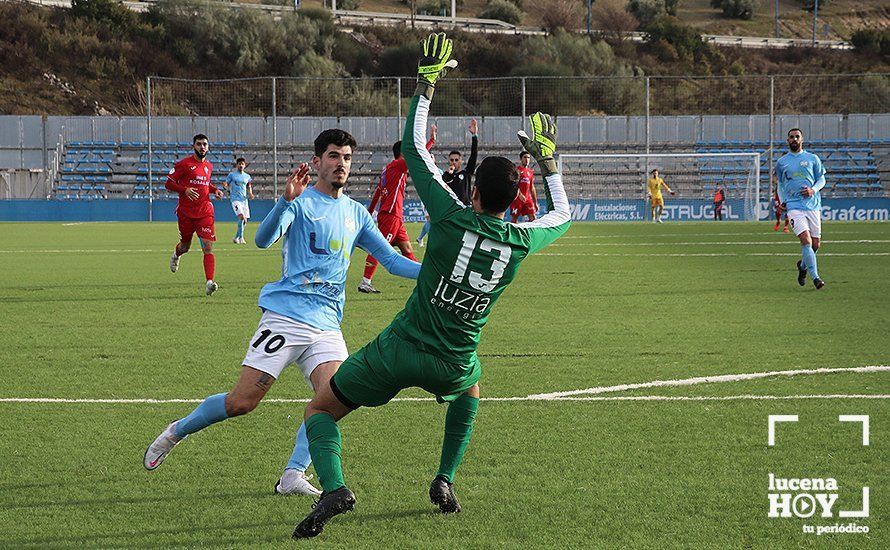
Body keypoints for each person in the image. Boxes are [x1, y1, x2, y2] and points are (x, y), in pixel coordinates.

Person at [291, 33, 571, 539]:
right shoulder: (522, 240)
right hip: (454, 359)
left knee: (321, 410)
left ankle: (334, 487)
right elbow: (564, 216)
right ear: (512, 201)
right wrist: (548, 164)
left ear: (474, 190)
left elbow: (416, 149)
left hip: (400, 347)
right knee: (470, 394)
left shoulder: (448, 215)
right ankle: (444, 480)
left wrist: (426, 86)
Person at [143, 130, 422, 497]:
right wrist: (284, 203)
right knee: (241, 403)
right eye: (334, 156)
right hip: (286, 317)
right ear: (318, 161)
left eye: (347, 158)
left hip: (326, 324)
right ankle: (177, 431)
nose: (342, 164)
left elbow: (390, 260)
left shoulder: (356, 213)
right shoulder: (301, 202)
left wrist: (436, 273)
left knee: (332, 399)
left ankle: (292, 475)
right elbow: (263, 239)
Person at [359, 126, 436, 293]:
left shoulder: (388, 169)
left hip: (395, 216)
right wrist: (430, 142)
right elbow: (417, 157)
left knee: (407, 249)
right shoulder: (398, 165)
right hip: (391, 215)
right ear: (403, 152)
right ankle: (365, 281)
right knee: (380, 248)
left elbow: (377, 193)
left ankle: (422, 281)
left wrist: (370, 212)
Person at [165, 134, 225, 296]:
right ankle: (176, 255)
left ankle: (209, 282)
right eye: (199, 144)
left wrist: (215, 190)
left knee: (207, 246)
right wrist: (184, 190)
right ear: (193, 146)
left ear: (208, 147)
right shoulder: (184, 164)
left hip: (205, 212)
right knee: (185, 246)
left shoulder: (209, 166)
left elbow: (206, 183)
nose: (202, 147)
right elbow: (168, 183)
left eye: (205, 144)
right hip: (186, 213)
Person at [776, 128, 826, 290]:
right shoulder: (782, 162)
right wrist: (783, 201)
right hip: (794, 206)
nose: (794, 139)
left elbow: (822, 179)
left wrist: (813, 190)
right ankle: (816, 278)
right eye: (791, 137)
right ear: (787, 140)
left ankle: (803, 266)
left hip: (812, 206)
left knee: (815, 245)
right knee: (806, 240)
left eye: (797, 137)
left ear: (802, 139)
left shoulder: (812, 158)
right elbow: (781, 185)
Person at [441, 119, 478, 205]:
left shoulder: (466, 173)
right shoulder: (445, 175)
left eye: (456, 160)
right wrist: (449, 174)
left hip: (465, 208)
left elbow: (474, 155)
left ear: (461, 161)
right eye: (452, 160)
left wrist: (474, 136)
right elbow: (444, 184)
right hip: (451, 209)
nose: (454, 162)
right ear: (448, 162)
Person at [225, 157, 255, 244]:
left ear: (245, 165)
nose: (241, 165)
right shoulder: (232, 175)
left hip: (244, 200)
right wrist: (225, 185)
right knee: (241, 217)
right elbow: (227, 183)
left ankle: (236, 237)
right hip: (235, 199)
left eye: (242, 164)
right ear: (237, 165)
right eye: (239, 164)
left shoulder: (247, 176)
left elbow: (249, 186)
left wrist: (250, 193)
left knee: (245, 220)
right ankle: (241, 237)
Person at [510, 151, 538, 223]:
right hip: (517, 198)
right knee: (514, 220)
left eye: (528, 158)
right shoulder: (517, 171)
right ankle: (514, 234)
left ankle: (529, 234)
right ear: (521, 159)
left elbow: (532, 187)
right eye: (525, 157)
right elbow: (513, 184)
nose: (527, 159)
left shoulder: (530, 172)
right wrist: (520, 194)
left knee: (533, 218)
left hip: (527, 198)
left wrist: (535, 202)